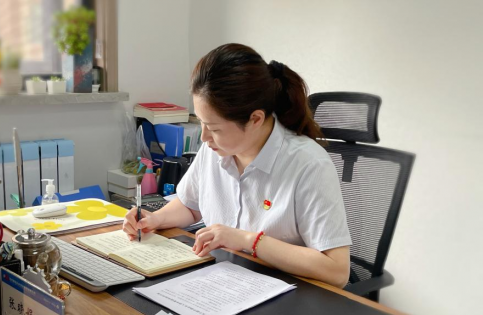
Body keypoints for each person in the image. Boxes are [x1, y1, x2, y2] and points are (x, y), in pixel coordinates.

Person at [123, 43, 352, 288]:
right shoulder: (214, 149)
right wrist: (155, 219)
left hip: (286, 293)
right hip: (225, 282)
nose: (204, 137)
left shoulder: (309, 164)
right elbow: (190, 206)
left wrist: (248, 241)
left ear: (255, 119)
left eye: (214, 128)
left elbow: (337, 271)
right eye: (201, 122)